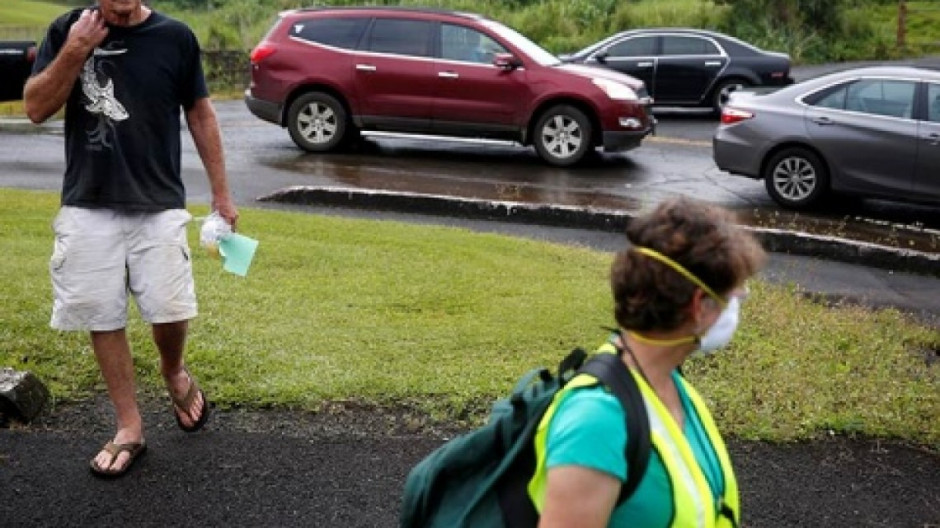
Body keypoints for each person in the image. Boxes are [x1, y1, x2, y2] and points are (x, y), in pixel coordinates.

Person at [24, 0, 238, 478]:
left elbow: (201, 114)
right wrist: (76, 49)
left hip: (158, 199)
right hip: (88, 201)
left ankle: (173, 371)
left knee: (171, 307)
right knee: (103, 313)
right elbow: (36, 107)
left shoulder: (175, 37)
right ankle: (129, 427)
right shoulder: (68, 29)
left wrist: (221, 193)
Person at [528, 197, 767, 527]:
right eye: (733, 297)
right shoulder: (596, 424)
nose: (735, 311)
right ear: (699, 305)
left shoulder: (668, 382)